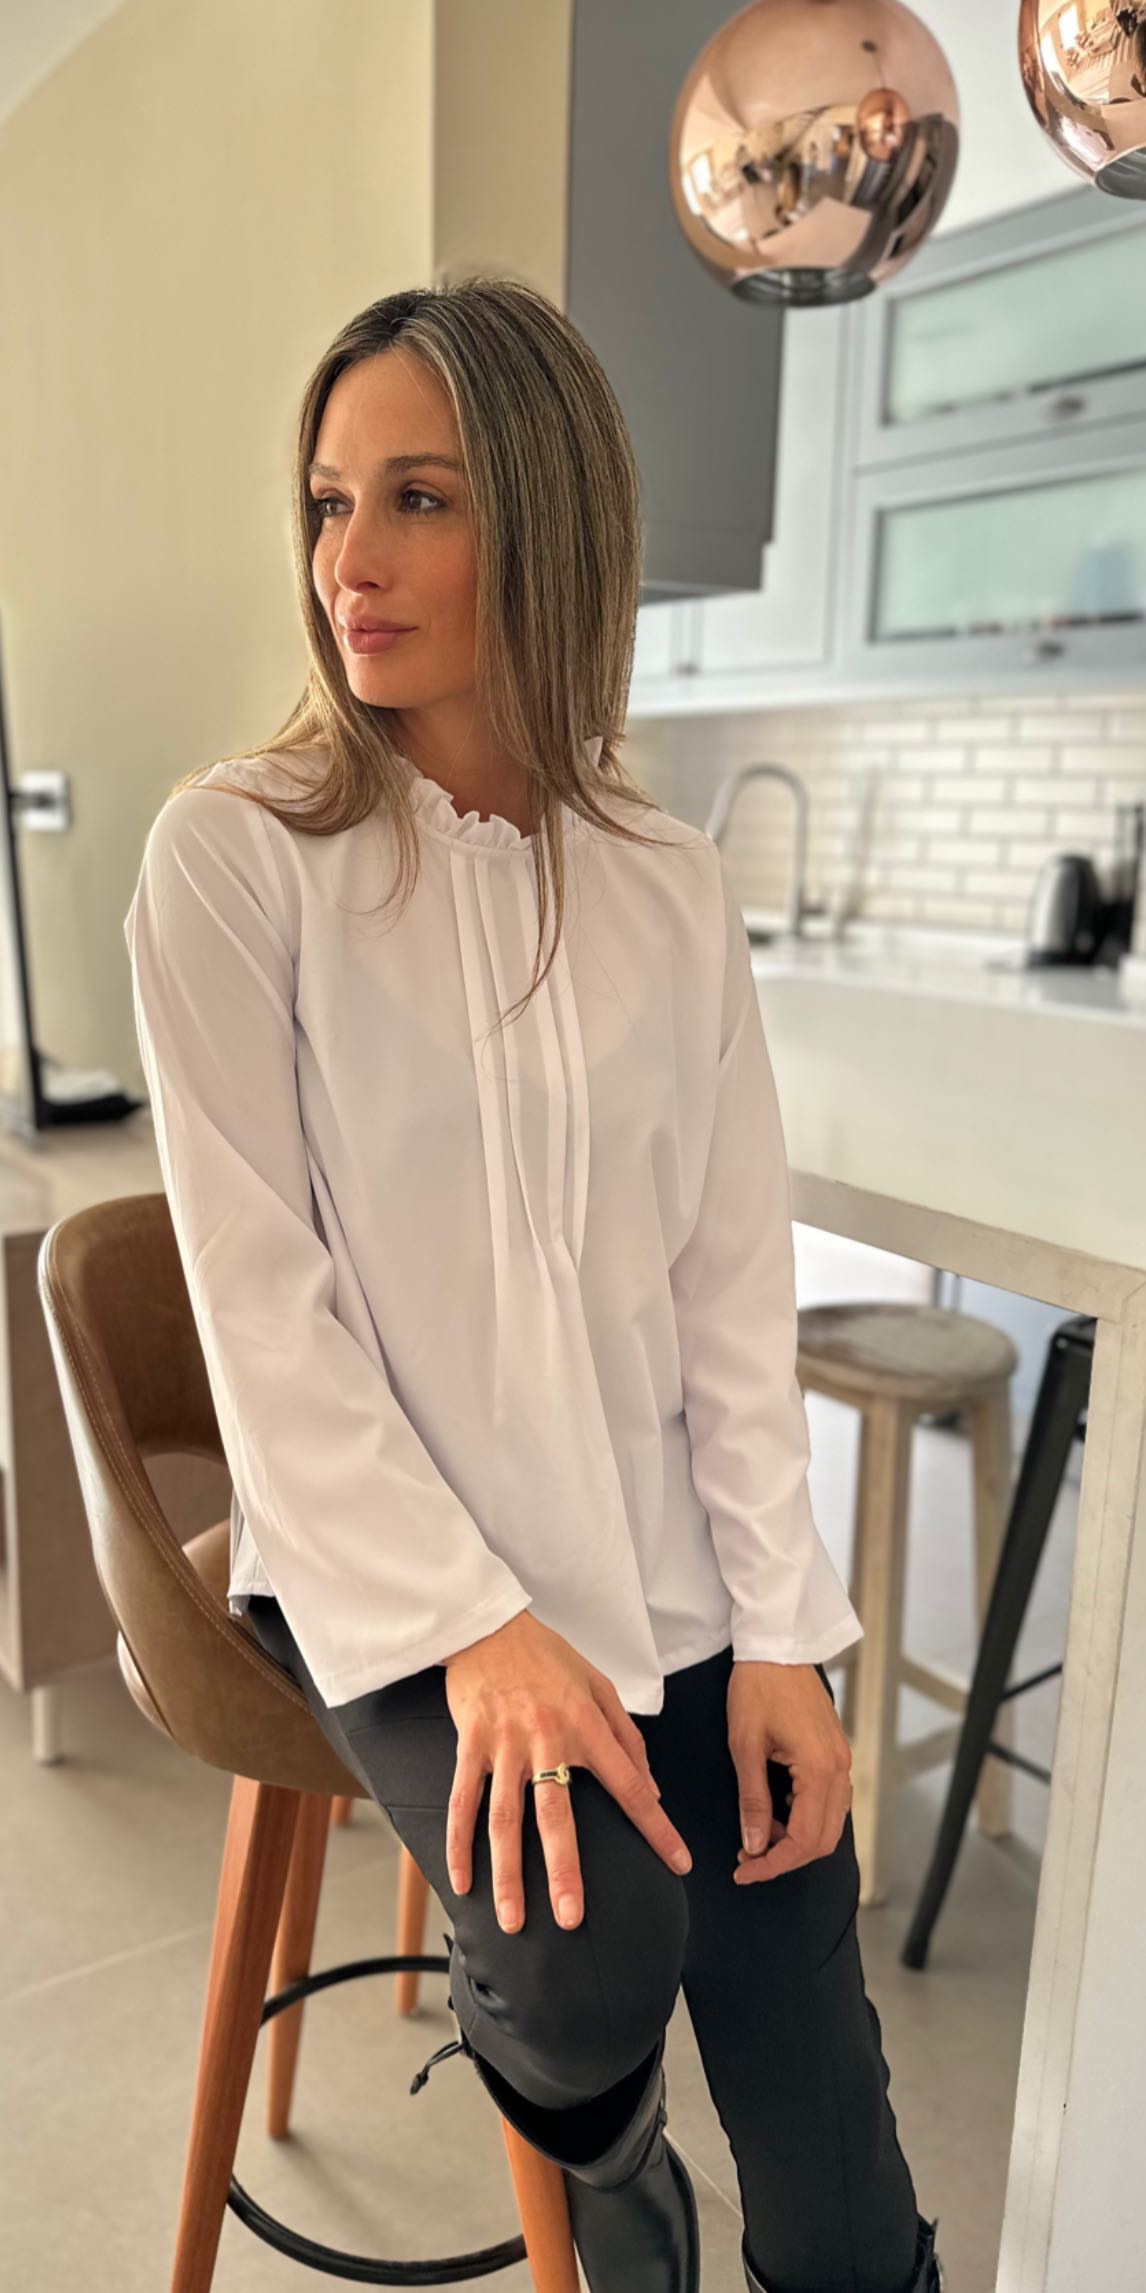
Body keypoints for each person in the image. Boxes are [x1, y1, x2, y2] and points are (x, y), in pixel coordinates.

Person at [123, 276, 942, 2293]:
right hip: (390, 1555)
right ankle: (608, 2165)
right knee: (589, 1959)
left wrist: (784, 1636)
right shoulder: (237, 856)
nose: (350, 560)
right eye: (329, 503)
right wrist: (479, 1627)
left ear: (548, 519)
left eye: (418, 498)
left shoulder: (667, 879)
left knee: (833, 2155)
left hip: (671, 1556)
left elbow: (730, 1293)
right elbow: (265, 1312)